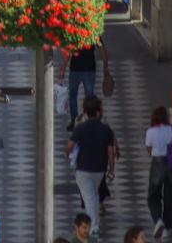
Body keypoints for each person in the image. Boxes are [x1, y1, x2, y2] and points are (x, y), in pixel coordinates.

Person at [67, 95, 116, 239]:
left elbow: (69, 146)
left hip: (83, 169)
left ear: (85, 111)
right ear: (98, 111)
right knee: (93, 196)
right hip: (99, 169)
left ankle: (93, 227)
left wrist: (68, 153)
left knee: (89, 198)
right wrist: (111, 168)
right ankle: (95, 224)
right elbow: (110, 150)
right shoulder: (106, 129)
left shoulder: (80, 128)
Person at [145, 105, 172, 239]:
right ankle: (167, 227)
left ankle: (158, 220)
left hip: (158, 164)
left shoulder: (150, 131)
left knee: (153, 194)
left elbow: (149, 150)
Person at [60, 40, 109, 131]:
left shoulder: (92, 32)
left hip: (83, 70)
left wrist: (106, 67)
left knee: (83, 97)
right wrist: (105, 68)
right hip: (82, 69)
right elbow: (102, 50)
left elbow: (102, 49)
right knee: (81, 96)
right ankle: (77, 120)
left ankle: (83, 120)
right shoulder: (83, 32)